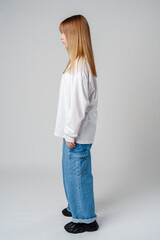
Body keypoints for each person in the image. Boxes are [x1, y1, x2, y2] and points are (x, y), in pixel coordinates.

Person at [54, 14, 99, 234]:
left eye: (64, 33)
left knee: (78, 175)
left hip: (77, 135)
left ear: (74, 35)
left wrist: (71, 134)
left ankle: (86, 219)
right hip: (70, 133)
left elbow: (79, 105)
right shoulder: (75, 63)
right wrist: (67, 132)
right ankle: (75, 206)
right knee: (69, 171)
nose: (60, 37)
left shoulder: (81, 66)